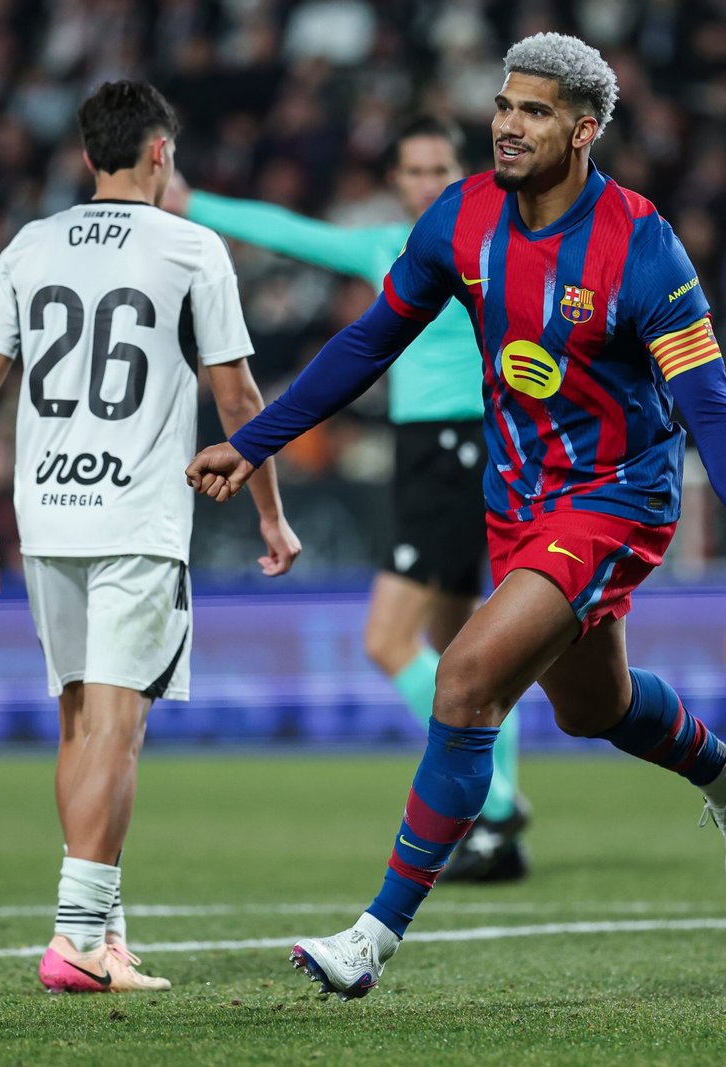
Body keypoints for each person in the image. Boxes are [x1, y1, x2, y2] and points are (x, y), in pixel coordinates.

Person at [187, 33, 726, 999]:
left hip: (614, 497)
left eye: (534, 112)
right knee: (592, 706)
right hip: (516, 496)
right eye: (504, 105)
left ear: (585, 130)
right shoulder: (463, 215)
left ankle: (371, 938)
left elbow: (713, 409)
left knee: (466, 677)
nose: (508, 126)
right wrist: (256, 439)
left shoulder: (641, 245)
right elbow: (369, 341)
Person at [0, 80, 299, 993]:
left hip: (47, 512)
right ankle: (74, 937)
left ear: (86, 156)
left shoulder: (31, 244)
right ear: (159, 153)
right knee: (118, 728)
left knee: (79, 721)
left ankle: (102, 929)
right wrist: (270, 511)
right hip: (137, 517)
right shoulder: (190, 247)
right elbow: (238, 397)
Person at [162, 116, 532, 882]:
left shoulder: (489, 237)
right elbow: (293, 233)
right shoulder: (395, 246)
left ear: (463, 173)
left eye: (439, 170)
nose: (427, 184)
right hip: (439, 453)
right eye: (414, 171)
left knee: (388, 640)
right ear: (395, 181)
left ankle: (495, 803)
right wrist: (195, 204)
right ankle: (499, 818)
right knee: (468, 650)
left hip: (458, 448)